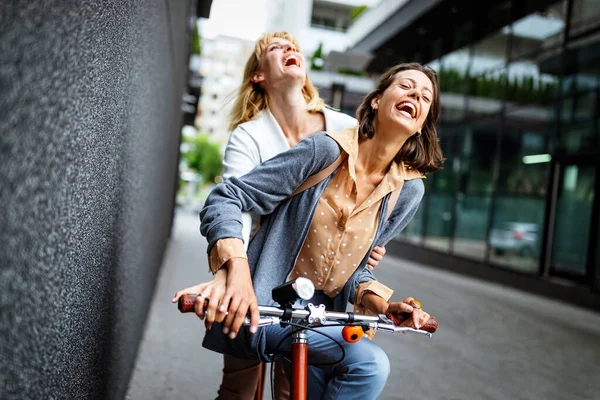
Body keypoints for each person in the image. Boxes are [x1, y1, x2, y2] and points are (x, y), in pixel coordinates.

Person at [174, 62, 444, 399]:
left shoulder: (407, 191)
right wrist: (237, 271)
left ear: (423, 123)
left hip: (323, 317)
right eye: (406, 86)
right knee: (367, 365)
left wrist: (385, 306)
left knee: (342, 378)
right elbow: (227, 196)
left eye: (425, 96)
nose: (415, 95)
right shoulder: (325, 151)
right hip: (264, 307)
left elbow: (355, 271)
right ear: (377, 100)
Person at [201, 31, 387, 400]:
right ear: (258, 75)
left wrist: (367, 243)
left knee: (294, 388)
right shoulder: (249, 136)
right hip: (258, 271)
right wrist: (235, 270)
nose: (290, 49)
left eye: (295, 47)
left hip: (316, 282)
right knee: (238, 386)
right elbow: (234, 205)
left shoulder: (344, 129)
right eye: (276, 47)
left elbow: (365, 194)